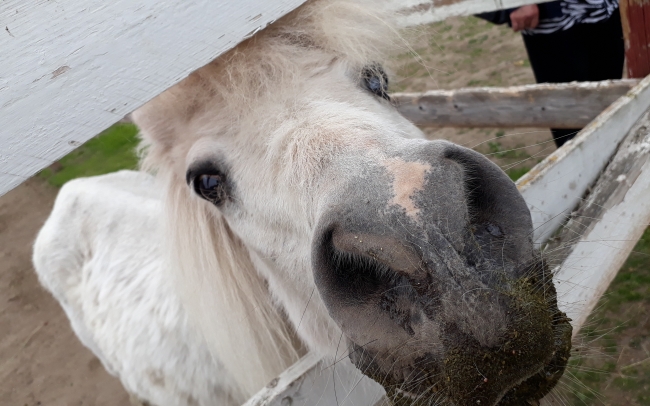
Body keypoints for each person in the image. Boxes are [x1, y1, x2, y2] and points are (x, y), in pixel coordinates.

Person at [477, 0, 624, 147]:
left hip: (606, 10)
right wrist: (515, 4)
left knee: (611, 105)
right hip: (553, 22)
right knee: (570, 122)